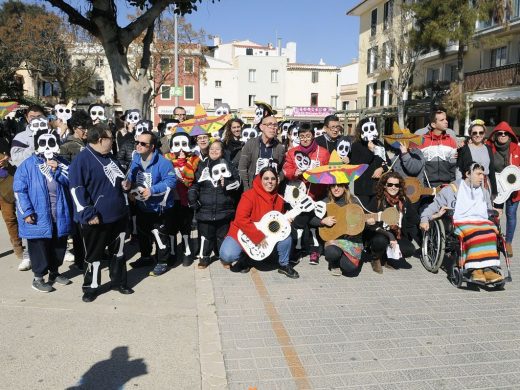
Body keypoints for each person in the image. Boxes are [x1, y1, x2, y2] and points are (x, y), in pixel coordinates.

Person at [69, 123, 133, 303]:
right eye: (110, 138)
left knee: (118, 252)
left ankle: (118, 282)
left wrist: (126, 186)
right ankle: (91, 287)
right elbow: (76, 190)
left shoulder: (110, 158)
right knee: (94, 256)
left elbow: (119, 179)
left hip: (118, 215)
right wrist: (89, 214)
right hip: (96, 219)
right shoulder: (81, 161)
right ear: (99, 140)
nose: (113, 141)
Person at [420, 162, 504, 284]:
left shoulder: (484, 192)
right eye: (478, 174)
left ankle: (488, 268)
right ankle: (475, 269)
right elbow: (433, 207)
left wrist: (494, 211)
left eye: (483, 174)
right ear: (467, 174)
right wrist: (424, 219)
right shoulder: (451, 190)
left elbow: (488, 211)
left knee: (491, 231)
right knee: (475, 231)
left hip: (480, 221)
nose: (482, 177)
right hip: (460, 222)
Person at [13, 130, 72, 292]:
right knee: (39, 247)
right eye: (43, 143)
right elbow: (19, 190)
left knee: (59, 245)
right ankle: (38, 278)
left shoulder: (62, 163)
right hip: (37, 215)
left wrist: (58, 170)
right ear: (37, 145)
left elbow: (72, 181)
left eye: (51, 143)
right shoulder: (27, 165)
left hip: (59, 214)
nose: (48, 148)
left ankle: (54, 272)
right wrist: (26, 211)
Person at [219, 167, 298, 278]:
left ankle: (284, 265)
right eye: (266, 178)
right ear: (260, 180)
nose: (269, 182)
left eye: (273, 179)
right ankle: (244, 257)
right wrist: (257, 236)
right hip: (242, 232)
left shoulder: (280, 199)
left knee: (286, 237)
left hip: (265, 235)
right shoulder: (249, 195)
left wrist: (286, 221)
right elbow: (241, 219)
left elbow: (277, 222)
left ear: (277, 181)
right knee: (227, 255)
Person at [126, 131, 176, 276]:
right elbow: (131, 177)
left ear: (152, 147)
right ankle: (146, 257)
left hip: (160, 207)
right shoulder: (135, 160)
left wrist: (152, 190)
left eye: (143, 143)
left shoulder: (164, 162)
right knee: (143, 234)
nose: (138, 146)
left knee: (160, 236)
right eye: (137, 142)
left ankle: (162, 262)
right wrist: (130, 189)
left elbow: (171, 181)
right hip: (142, 206)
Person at [188, 140, 240, 269]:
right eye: (212, 149)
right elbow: (195, 183)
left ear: (222, 151)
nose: (214, 151)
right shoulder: (202, 164)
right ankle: (204, 258)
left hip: (224, 208)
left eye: (217, 149)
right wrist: (192, 194)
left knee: (222, 237)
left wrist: (227, 182)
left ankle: (224, 257)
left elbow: (238, 182)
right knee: (206, 236)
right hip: (205, 208)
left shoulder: (229, 164)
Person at [283, 123, 330, 264]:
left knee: (315, 225)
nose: (305, 139)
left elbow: (328, 174)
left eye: (308, 136)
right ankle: (297, 250)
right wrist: (294, 173)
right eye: (302, 136)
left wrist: (319, 171)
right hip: (299, 197)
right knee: (299, 225)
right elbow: (287, 170)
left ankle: (315, 251)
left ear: (313, 136)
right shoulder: (292, 152)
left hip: (317, 194)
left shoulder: (323, 153)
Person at [365, 172, 419, 273]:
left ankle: (387, 257)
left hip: (397, 234)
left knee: (409, 250)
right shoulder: (377, 200)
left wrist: (430, 217)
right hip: (379, 233)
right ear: (385, 186)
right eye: (390, 184)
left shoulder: (404, 201)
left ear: (400, 187)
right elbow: (365, 218)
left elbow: (414, 219)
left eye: (396, 185)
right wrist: (369, 221)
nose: (393, 187)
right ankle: (376, 258)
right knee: (381, 241)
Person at [60, 109, 92, 270]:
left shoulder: (89, 143)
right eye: (82, 127)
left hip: (91, 190)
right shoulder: (67, 146)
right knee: (79, 227)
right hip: (76, 191)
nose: (86, 131)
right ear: (74, 128)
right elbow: (64, 170)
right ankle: (81, 259)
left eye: (88, 127)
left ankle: (92, 255)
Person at [163, 129, 200, 266]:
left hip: (186, 201)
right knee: (171, 227)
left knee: (186, 227)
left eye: (184, 144)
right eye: (177, 144)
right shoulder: (166, 160)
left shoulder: (195, 160)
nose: (181, 149)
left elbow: (197, 180)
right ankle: (172, 252)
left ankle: (187, 251)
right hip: (171, 200)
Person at [312, 183, 364, 276]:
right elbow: (311, 219)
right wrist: (323, 221)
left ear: (345, 187)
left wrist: (369, 221)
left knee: (350, 268)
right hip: (334, 240)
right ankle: (334, 263)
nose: (336, 188)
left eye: (339, 185)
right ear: (330, 188)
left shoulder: (354, 201)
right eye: (333, 186)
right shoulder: (326, 201)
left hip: (351, 240)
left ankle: (343, 257)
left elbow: (362, 220)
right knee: (331, 253)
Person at [486, 121, 520, 257]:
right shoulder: (489, 147)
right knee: (495, 215)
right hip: (497, 189)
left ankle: (508, 243)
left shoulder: (516, 148)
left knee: (511, 215)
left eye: (506, 133)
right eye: (500, 133)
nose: (503, 135)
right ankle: (494, 240)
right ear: (495, 135)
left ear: (510, 135)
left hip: (513, 189)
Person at [238, 116, 285, 190]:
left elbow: (282, 169)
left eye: (275, 125)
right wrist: (246, 188)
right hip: (253, 189)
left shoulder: (280, 147)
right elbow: (242, 168)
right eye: (269, 124)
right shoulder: (251, 144)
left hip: (271, 190)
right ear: (261, 127)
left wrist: (280, 177)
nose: (273, 128)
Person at [350, 118, 387, 209]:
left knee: (376, 212)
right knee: (364, 213)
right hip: (363, 188)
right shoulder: (356, 145)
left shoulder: (379, 144)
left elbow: (387, 162)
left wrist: (382, 168)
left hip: (378, 187)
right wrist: (370, 151)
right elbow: (357, 165)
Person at [416, 110, 458, 188]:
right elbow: (418, 164)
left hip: (446, 185)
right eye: (442, 120)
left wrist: (452, 183)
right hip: (427, 185)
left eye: (446, 119)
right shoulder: (422, 140)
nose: (446, 122)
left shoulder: (451, 141)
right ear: (433, 124)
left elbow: (453, 164)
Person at [0, 124, 23, 260]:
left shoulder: (3, 141)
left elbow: (10, 158)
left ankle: (18, 246)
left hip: (5, 182)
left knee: (10, 218)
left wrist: (6, 161)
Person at [457, 119, 497, 197]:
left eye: (481, 132)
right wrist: (458, 188)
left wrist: (494, 191)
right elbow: (458, 170)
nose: (478, 135)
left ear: (484, 133)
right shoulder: (464, 149)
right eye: (475, 133)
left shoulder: (488, 149)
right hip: (469, 186)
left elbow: (491, 170)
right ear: (470, 134)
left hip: (485, 186)